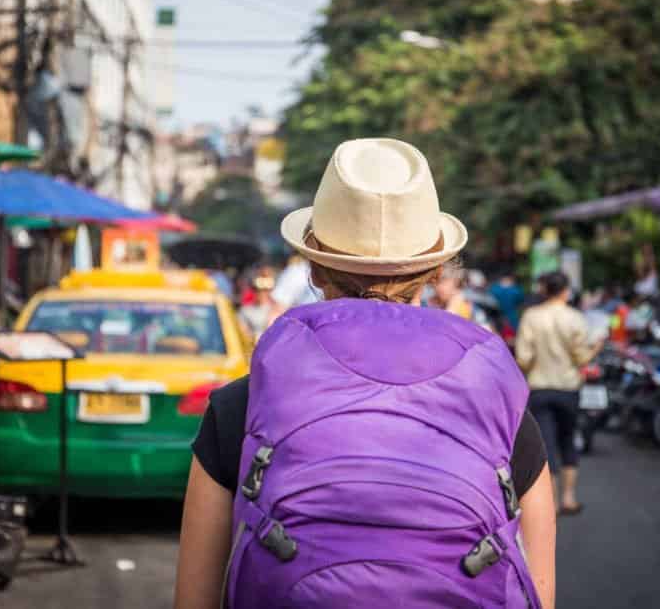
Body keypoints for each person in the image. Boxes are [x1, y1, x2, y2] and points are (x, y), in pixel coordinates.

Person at [176, 139, 555, 609]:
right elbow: (539, 591)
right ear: (435, 270)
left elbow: (194, 600)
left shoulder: (241, 406)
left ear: (314, 269)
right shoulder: (500, 411)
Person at [515, 271, 602, 516]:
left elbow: (523, 358)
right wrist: (596, 348)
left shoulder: (531, 317)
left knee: (546, 444)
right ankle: (569, 498)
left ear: (545, 290)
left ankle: (550, 502)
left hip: (539, 388)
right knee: (567, 440)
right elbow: (581, 357)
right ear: (565, 291)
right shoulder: (575, 318)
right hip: (568, 388)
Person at [237, 268, 276, 342]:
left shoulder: (278, 312)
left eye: (266, 290)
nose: (262, 293)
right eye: (258, 290)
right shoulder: (245, 311)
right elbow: (243, 333)